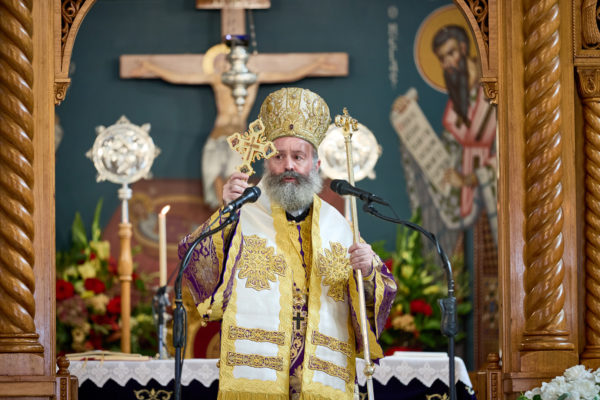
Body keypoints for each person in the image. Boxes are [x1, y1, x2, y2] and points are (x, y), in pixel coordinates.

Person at [179, 87, 396, 400]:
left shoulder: (338, 226)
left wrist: (368, 271)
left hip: (322, 374)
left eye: (298, 156)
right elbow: (196, 263)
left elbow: (375, 296)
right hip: (260, 374)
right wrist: (225, 214)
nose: (288, 166)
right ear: (267, 163)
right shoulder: (243, 212)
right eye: (278, 156)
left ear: (315, 165)